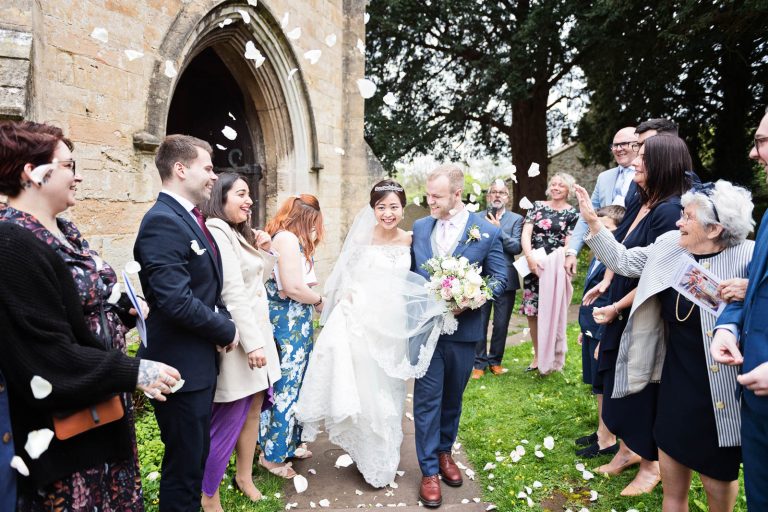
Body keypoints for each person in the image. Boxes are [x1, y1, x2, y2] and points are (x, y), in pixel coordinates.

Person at [0, 120, 179, 510]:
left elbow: (82, 312)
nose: (77, 177)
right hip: (64, 433)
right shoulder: (11, 242)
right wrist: (136, 372)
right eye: (68, 166)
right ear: (33, 173)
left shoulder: (67, 230)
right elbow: (44, 357)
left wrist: (124, 312)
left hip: (104, 415)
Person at [578, 179, 755, 512]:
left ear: (715, 228)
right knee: (674, 489)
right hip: (675, 382)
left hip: (721, 393)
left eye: (687, 217)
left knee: (718, 482)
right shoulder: (672, 244)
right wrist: (593, 223)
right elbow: (625, 262)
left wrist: (752, 288)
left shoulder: (750, 256)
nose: (678, 221)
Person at [296, 179, 445, 488]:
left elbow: (421, 276)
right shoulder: (362, 238)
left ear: (403, 208)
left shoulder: (411, 239)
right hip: (364, 322)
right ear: (372, 209)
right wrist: (349, 298)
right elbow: (348, 277)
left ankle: (386, 455)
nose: (387, 213)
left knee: (391, 388)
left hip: (394, 324)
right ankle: (369, 454)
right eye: (381, 207)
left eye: (393, 207)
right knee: (367, 388)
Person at [134, 134, 239, 512]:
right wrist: (227, 330)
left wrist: (222, 316)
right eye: (208, 168)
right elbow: (176, 300)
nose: (214, 176)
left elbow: (206, 290)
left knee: (192, 462)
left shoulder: (191, 219)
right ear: (181, 169)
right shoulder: (162, 221)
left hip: (196, 365)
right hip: (176, 368)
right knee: (183, 469)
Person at [588, 134, 691, 496]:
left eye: (643, 158)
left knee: (644, 388)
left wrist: (618, 305)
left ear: (662, 164)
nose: (634, 162)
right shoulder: (641, 199)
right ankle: (628, 451)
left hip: (645, 311)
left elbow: (654, 276)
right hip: (620, 297)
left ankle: (651, 467)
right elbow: (625, 253)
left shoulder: (670, 212)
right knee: (612, 380)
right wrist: (606, 284)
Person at [411, 164, 507, 508]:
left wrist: (475, 296)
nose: (429, 200)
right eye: (428, 194)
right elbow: (407, 275)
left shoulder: (486, 231)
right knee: (426, 400)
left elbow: (500, 277)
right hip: (425, 332)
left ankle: (444, 453)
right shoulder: (420, 227)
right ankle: (428, 471)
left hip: (464, 332)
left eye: (436, 196)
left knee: (452, 398)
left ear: (456, 194)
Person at [199, 173, 282, 511]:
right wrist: (254, 345)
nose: (249, 201)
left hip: (258, 333)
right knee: (229, 416)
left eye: (250, 194)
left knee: (252, 411)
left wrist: (262, 250)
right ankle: (209, 495)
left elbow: (254, 284)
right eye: (241, 194)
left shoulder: (237, 232)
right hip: (241, 342)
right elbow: (232, 292)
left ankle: (244, 476)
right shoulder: (217, 229)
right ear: (221, 196)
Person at [712, 107, 768, 510]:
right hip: (757, 402)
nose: (753, 153)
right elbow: (754, 288)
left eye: (762, 141)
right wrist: (728, 327)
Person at [258, 194, 325, 478]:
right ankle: (271, 456)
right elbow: (294, 287)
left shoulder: (287, 237)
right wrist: (321, 301)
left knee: (298, 383)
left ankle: (290, 443)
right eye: (313, 223)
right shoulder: (286, 238)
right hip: (287, 322)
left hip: (296, 320)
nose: (313, 230)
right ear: (304, 218)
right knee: (285, 386)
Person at [575, 205, 624, 459]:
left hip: (602, 330)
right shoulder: (599, 257)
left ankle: (608, 438)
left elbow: (611, 299)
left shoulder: (616, 264)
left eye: (605, 227)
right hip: (591, 328)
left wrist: (602, 337)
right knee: (596, 386)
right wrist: (585, 330)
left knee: (604, 386)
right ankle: (601, 430)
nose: (598, 231)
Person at [520, 172, 579, 371]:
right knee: (533, 311)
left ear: (568, 190)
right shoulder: (536, 206)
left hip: (554, 268)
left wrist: (556, 261)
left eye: (560, 185)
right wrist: (529, 259)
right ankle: (538, 355)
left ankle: (553, 355)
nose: (555, 188)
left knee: (552, 310)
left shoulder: (572, 214)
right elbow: (526, 234)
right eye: (553, 184)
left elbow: (570, 242)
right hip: (533, 266)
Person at [565, 127, 637, 277]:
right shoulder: (604, 177)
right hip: (603, 252)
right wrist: (572, 252)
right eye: (615, 145)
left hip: (634, 254)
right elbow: (588, 214)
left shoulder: (650, 175)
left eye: (624, 144)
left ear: (638, 145)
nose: (619, 149)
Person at [472, 179, 523, 378]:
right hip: (479, 278)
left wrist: (498, 230)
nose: (497, 196)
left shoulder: (516, 219)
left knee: (501, 323)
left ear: (507, 198)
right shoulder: (475, 217)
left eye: (501, 192)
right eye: (493, 192)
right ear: (488, 196)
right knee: (480, 321)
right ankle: (479, 363)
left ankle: (495, 361)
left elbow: (516, 247)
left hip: (506, 278)